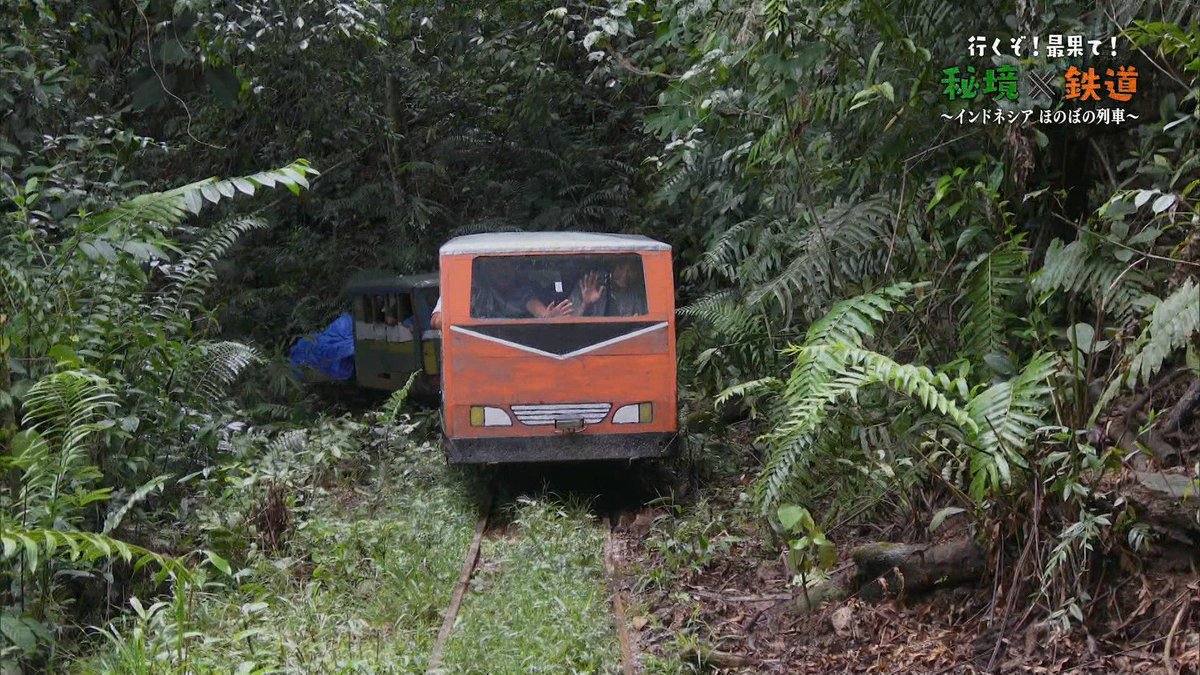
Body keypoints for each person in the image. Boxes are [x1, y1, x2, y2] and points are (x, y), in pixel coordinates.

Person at [571, 258, 647, 316]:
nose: (625, 275)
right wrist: (586, 304)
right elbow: (570, 322)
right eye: (621, 267)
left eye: (631, 270)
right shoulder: (586, 286)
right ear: (612, 266)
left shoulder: (637, 296)